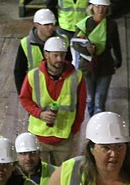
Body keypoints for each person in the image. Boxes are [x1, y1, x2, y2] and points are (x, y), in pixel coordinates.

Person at [18, 36, 87, 165]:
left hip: (65, 139)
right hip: (39, 137)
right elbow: (24, 98)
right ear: (46, 54)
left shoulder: (76, 77)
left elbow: (81, 106)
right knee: (39, 176)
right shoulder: (33, 76)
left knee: (61, 177)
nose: (59, 59)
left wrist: (74, 131)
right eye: (55, 56)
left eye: (62, 55)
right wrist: (40, 114)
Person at [73, 0, 122, 117]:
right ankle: (92, 126)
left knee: (99, 101)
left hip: (105, 65)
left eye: (103, 6)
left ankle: (97, 132)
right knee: (90, 99)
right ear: (92, 7)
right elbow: (75, 43)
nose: (100, 9)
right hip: (87, 66)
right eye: (98, 6)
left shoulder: (111, 25)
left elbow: (116, 42)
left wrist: (118, 59)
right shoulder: (84, 25)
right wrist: (87, 50)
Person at [13, 9, 59, 93]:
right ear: (36, 25)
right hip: (35, 91)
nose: (51, 27)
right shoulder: (25, 44)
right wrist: (22, 94)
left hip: (56, 90)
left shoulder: (62, 41)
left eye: (52, 24)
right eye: (46, 24)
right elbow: (19, 71)